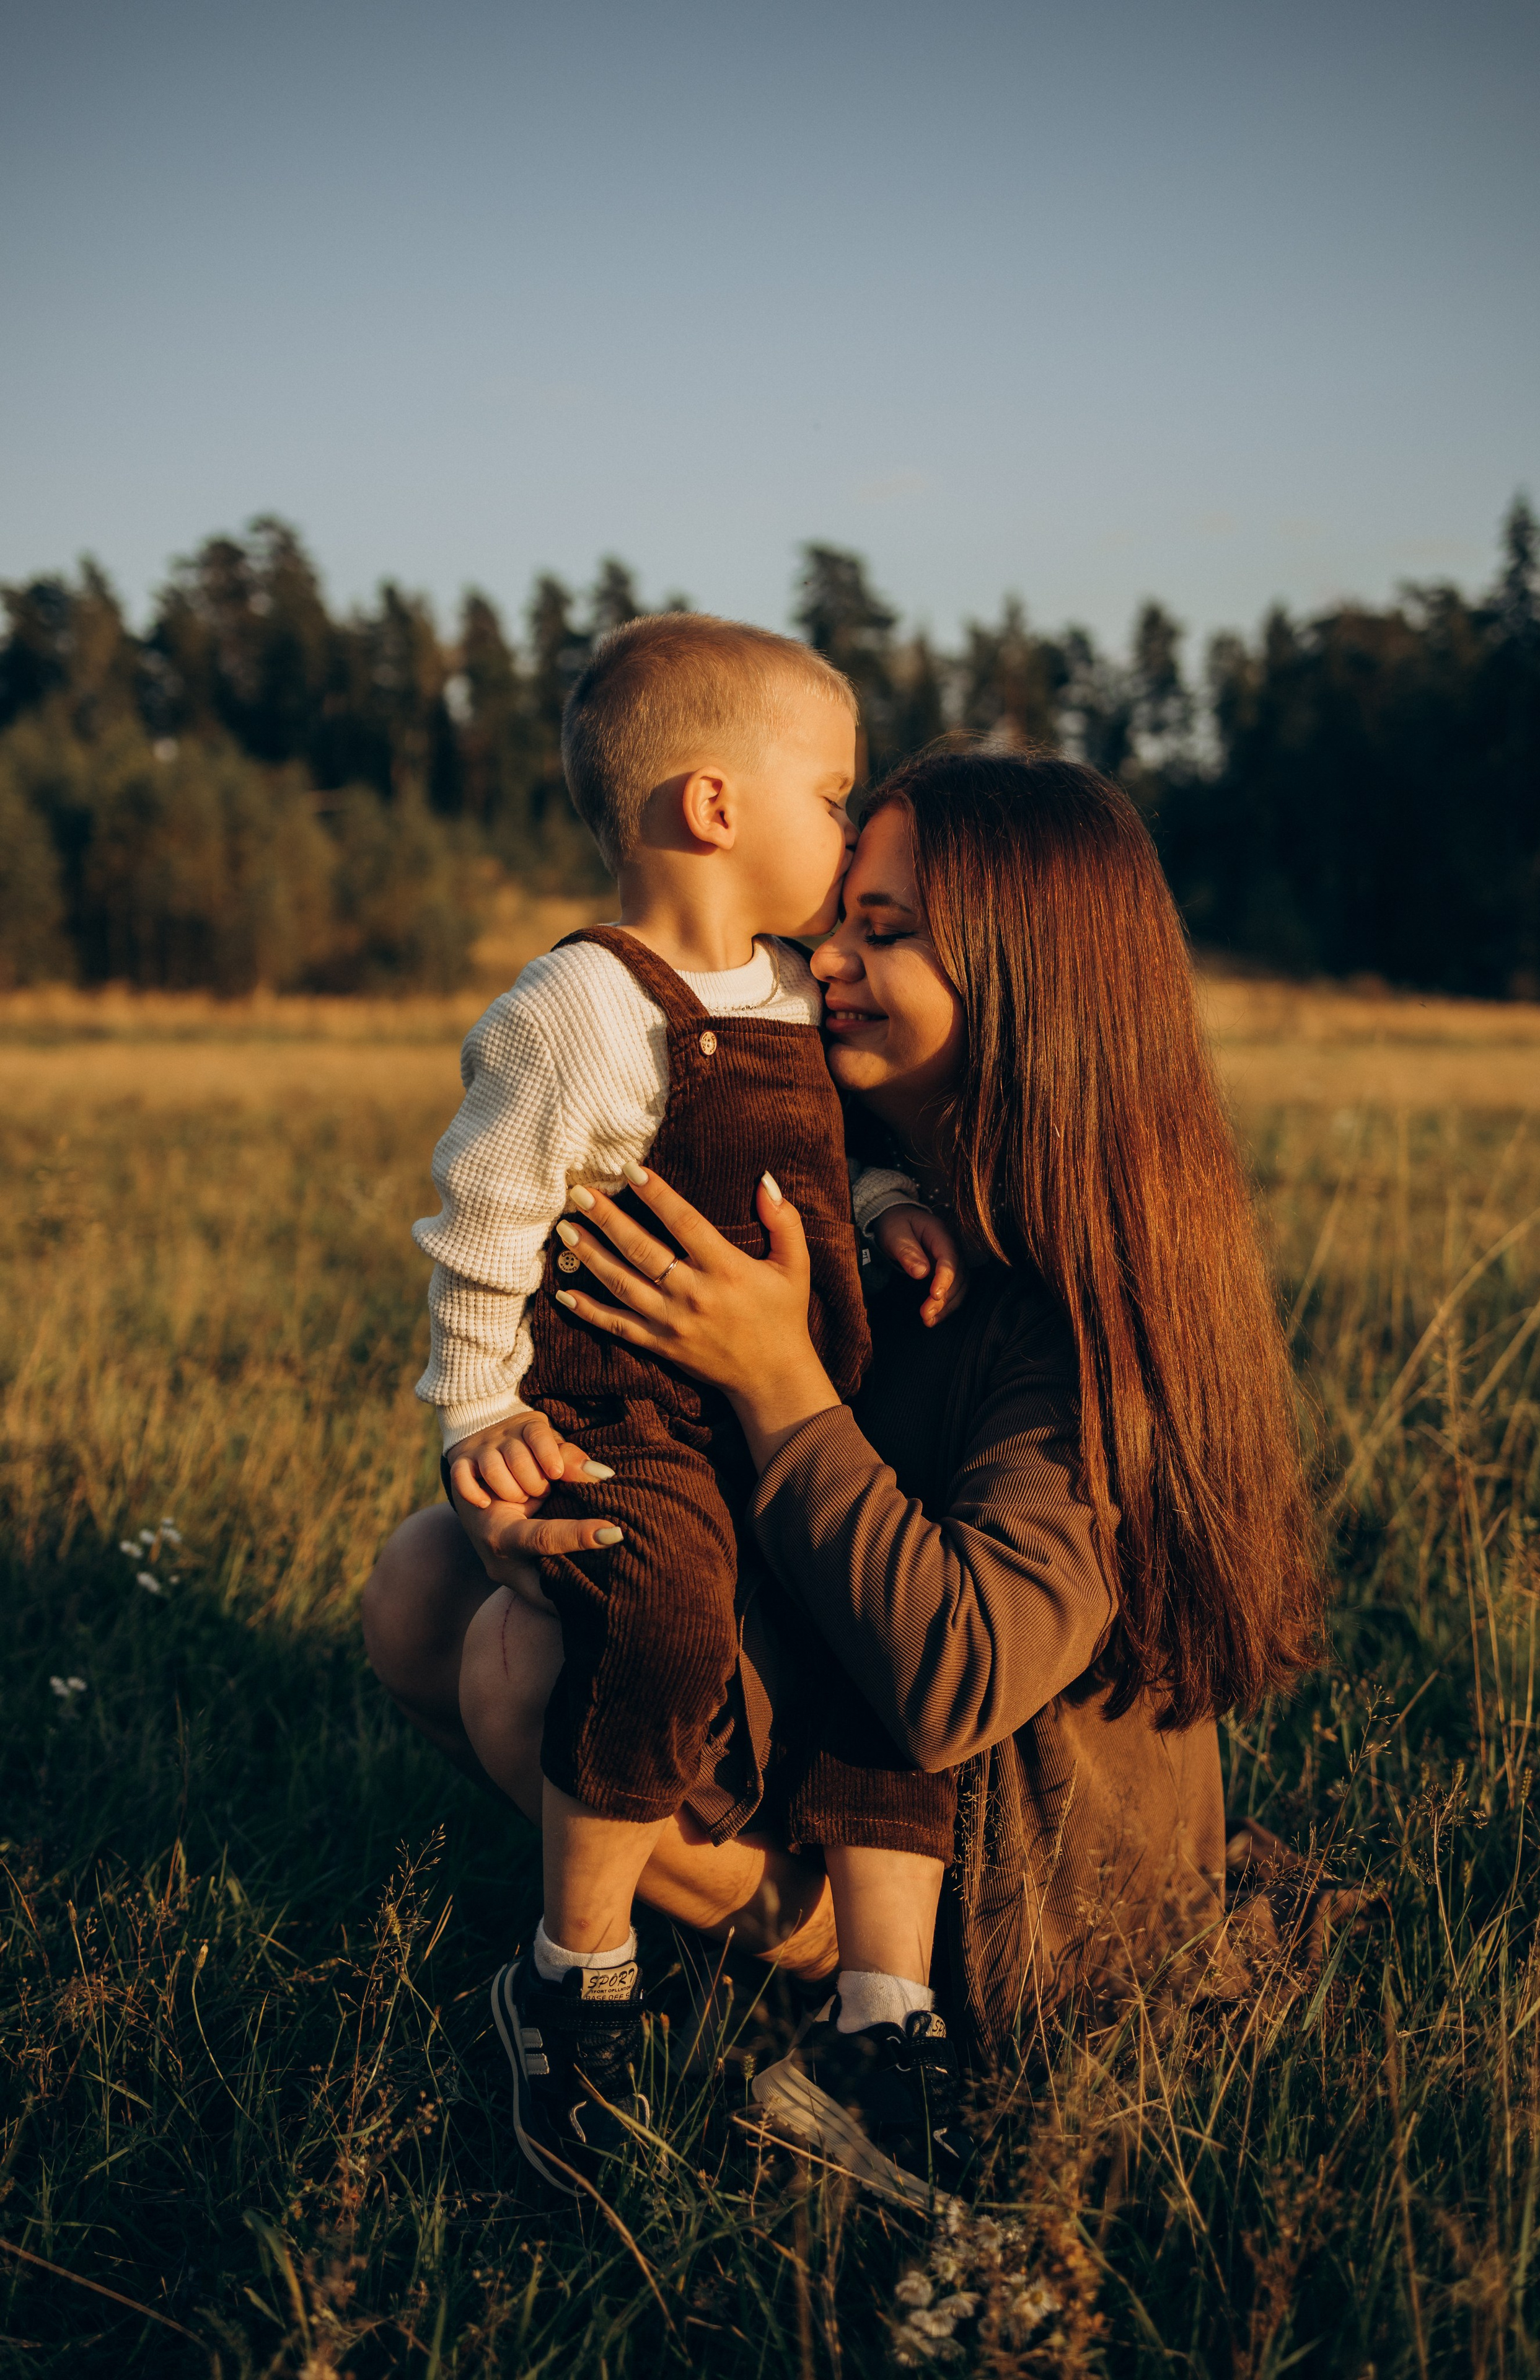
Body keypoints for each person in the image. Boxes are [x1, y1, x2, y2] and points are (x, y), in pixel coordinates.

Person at [365, 747, 1327, 2195]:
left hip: (1001, 1864)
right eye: (838, 919)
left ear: (1026, 977)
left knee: (518, 1664)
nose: (827, 958)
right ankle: (664, 1949)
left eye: (889, 933)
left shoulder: (1084, 1303)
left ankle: (856, 2011)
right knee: (434, 1575)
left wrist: (776, 1371)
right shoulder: (844, 1165)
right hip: (838, 1704)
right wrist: (554, 1494)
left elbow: (956, 1679)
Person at [405, 612, 968, 2193]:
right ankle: (573, 1976)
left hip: (788, 1406)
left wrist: (880, 1208)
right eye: (834, 793)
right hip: (630, 1410)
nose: (851, 831)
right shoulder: (577, 1008)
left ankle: (884, 2010)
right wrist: (472, 1420)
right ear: (716, 806)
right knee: (660, 1609)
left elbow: (804, 1162)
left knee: (870, 1625)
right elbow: (483, 1222)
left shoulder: (793, 987)